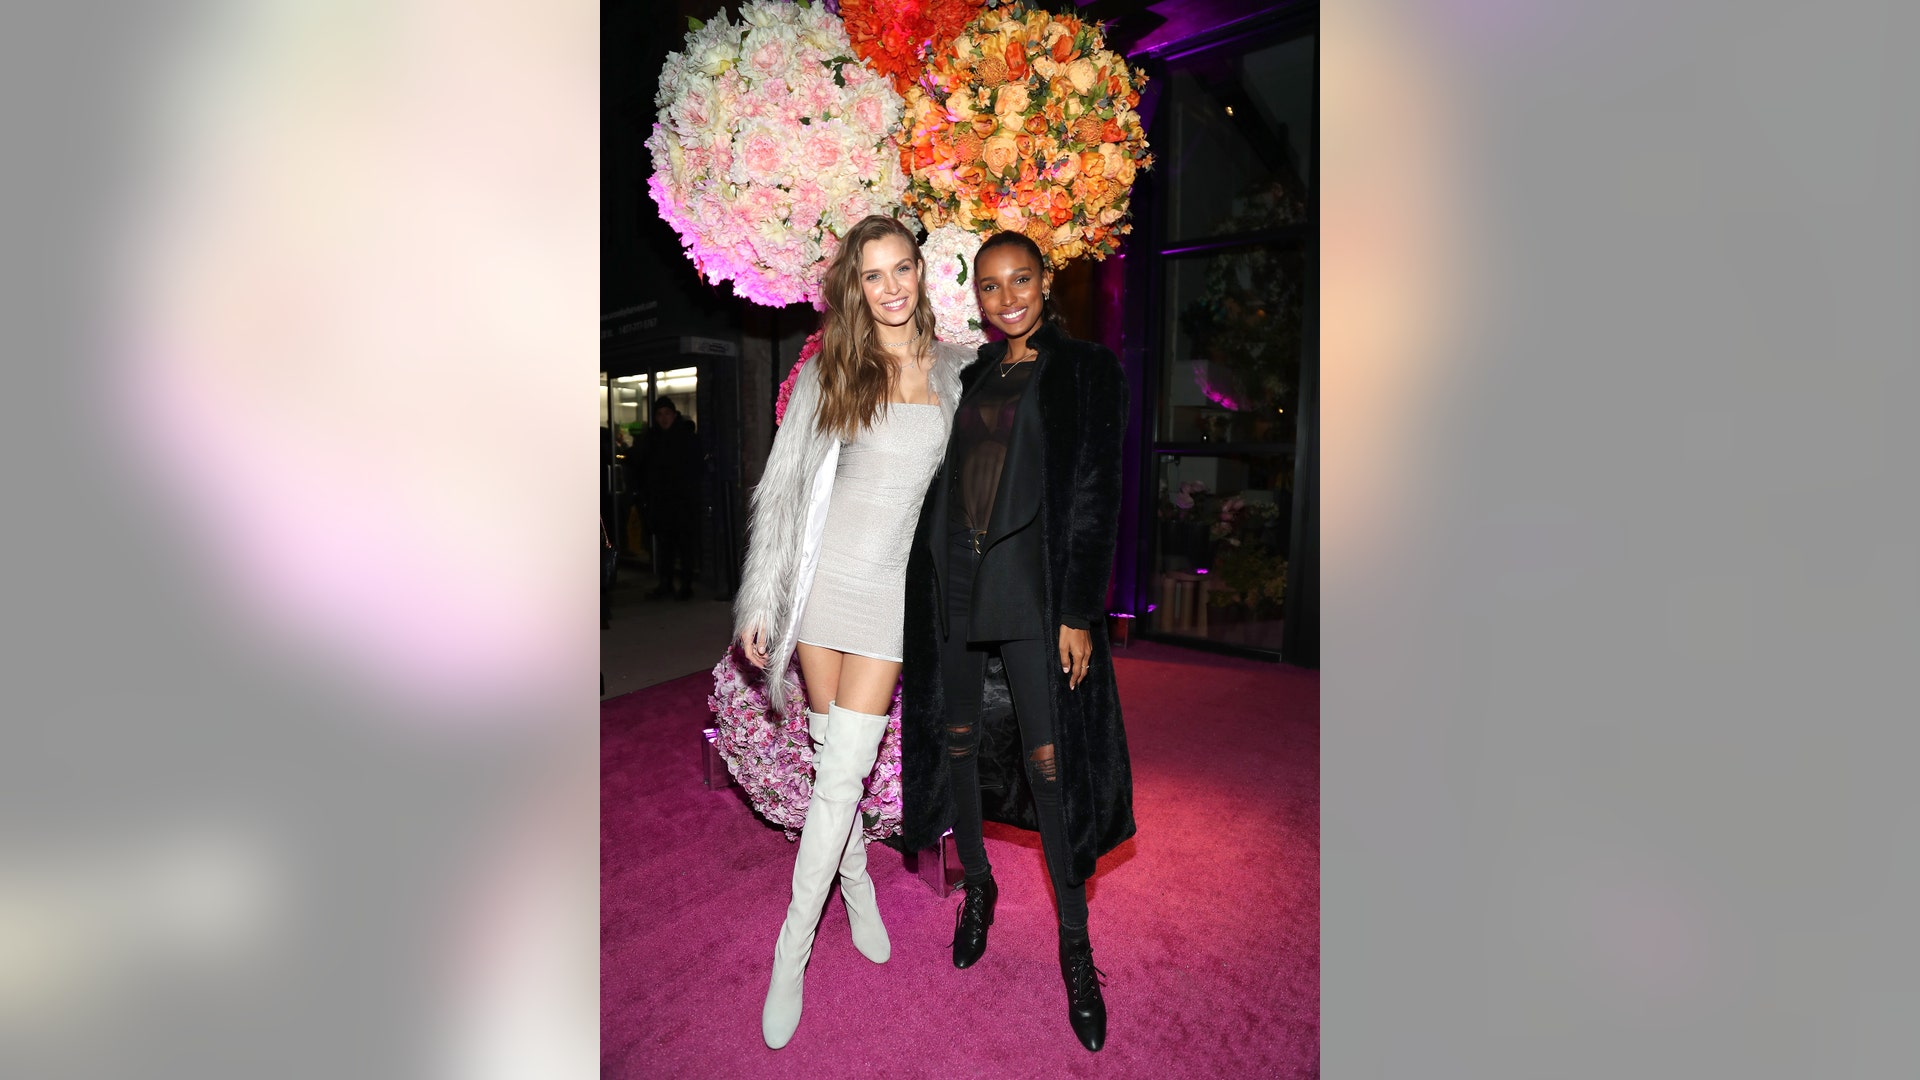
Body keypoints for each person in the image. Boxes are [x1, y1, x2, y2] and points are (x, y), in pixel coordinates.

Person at [732, 215, 977, 1050]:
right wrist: (763, 600)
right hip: (818, 588)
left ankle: (789, 952)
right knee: (828, 755)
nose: (891, 286)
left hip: (888, 601)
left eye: (901, 268)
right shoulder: (830, 370)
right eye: (872, 275)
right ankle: (859, 882)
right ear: (856, 286)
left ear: (920, 272)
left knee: (843, 777)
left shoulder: (957, 373)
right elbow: (784, 490)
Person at [898, 231, 1136, 1052]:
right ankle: (982, 892)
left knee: (1049, 761)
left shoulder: (1085, 372)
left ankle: (1076, 945)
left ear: (1044, 282)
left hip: (1034, 595)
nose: (1008, 298)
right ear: (979, 293)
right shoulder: (967, 376)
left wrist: (1079, 611)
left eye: (1022, 280)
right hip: (957, 587)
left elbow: (1096, 495)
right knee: (958, 745)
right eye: (992, 286)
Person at [637, 396, 702, 599]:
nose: (663, 419)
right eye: (659, 415)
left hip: (682, 501)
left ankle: (685, 585)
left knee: (684, 546)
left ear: (674, 415)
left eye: (667, 414)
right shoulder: (653, 439)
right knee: (665, 546)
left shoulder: (685, 438)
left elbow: (694, 470)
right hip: (662, 502)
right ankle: (665, 583)